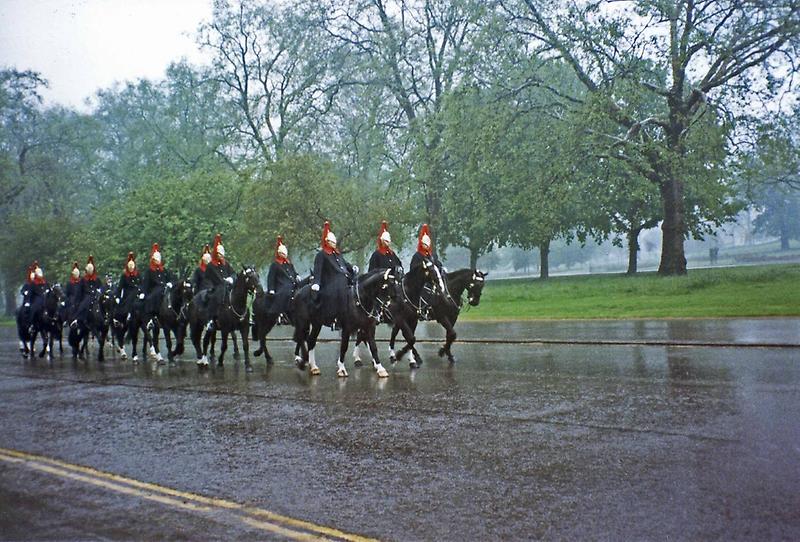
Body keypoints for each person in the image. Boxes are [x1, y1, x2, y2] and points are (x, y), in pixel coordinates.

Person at [311, 221, 357, 324]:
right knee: (340, 291)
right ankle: (337, 317)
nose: (334, 243)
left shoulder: (337, 254)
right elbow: (317, 270)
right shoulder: (322, 255)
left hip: (344, 280)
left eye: (334, 242)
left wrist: (352, 268)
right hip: (330, 283)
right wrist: (316, 283)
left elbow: (344, 264)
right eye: (332, 242)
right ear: (327, 241)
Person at [266, 236, 299, 322]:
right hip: (281, 286)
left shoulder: (289, 264)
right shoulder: (275, 265)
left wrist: (297, 276)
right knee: (285, 291)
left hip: (293, 284)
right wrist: (271, 289)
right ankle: (281, 312)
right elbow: (271, 278)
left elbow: (293, 273)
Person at [205, 233, 234, 329]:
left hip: (228, 287)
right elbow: (207, 278)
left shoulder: (226, 264)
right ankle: (211, 320)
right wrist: (211, 287)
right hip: (216, 287)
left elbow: (233, 273)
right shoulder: (211, 266)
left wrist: (231, 278)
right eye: (220, 254)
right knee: (215, 298)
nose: (221, 256)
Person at [71, 256, 101, 328]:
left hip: (96, 295)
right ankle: (76, 320)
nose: (90, 271)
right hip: (87, 295)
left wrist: (100, 291)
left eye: (91, 269)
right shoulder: (83, 280)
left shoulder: (97, 279)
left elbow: (100, 287)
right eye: (89, 270)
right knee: (83, 305)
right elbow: (79, 291)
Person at [142, 243, 166, 321]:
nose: (158, 261)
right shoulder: (149, 271)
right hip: (153, 289)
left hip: (164, 287)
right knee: (152, 297)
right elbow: (146, 283)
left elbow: (169, 278)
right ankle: (153, 316)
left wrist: (170, 283)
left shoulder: (163, 270)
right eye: (156, 260)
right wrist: (144, 293)